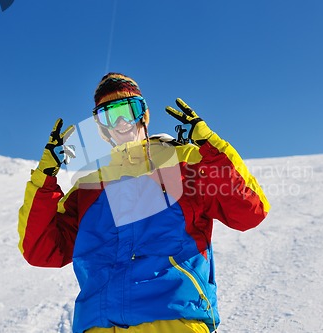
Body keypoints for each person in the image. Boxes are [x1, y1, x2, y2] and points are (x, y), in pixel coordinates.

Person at [18, 73, 270, 333]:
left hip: (173, 319)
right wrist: (45, 178)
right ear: (101, 127)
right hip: (100, 324)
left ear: (144, 114)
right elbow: (41, 250)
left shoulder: (185, 163)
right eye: (109, 115)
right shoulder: (88, 186)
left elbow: (249, 212)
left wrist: (211, 147)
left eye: (128, 109)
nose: (121, 122)